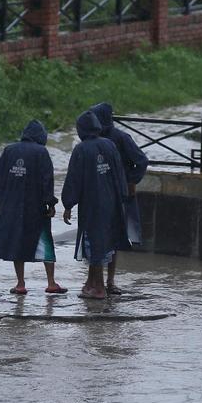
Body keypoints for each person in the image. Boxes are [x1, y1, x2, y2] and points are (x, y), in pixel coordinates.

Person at [0, 120, 67, 295]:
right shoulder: (42, 152)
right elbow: (47, 180)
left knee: (17, 242)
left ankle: (20, 284)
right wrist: (51, 203)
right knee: (45, 242)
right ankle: (51, 282)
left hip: (11, 207)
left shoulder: (9, 150)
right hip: (36, 207)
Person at [61, 110, 130, 300]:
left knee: (94, 243)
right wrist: (123, 196)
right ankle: (91, 283)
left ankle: (99, 288)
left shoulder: (81, 150)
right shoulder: (109, 145)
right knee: (106, 241)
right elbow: (119, 173)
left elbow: (74, 179)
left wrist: (68, 204)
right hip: (112, 202)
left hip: (92, 205)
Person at [91, 102, 149, 295]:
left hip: (119, 196)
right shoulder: (93, 139)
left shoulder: (122, 138)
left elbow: (141, 161)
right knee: (100, 238)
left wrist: (131, 181)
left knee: (114, 237)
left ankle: (109, 281)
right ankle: (98, 280)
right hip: (100, 194)